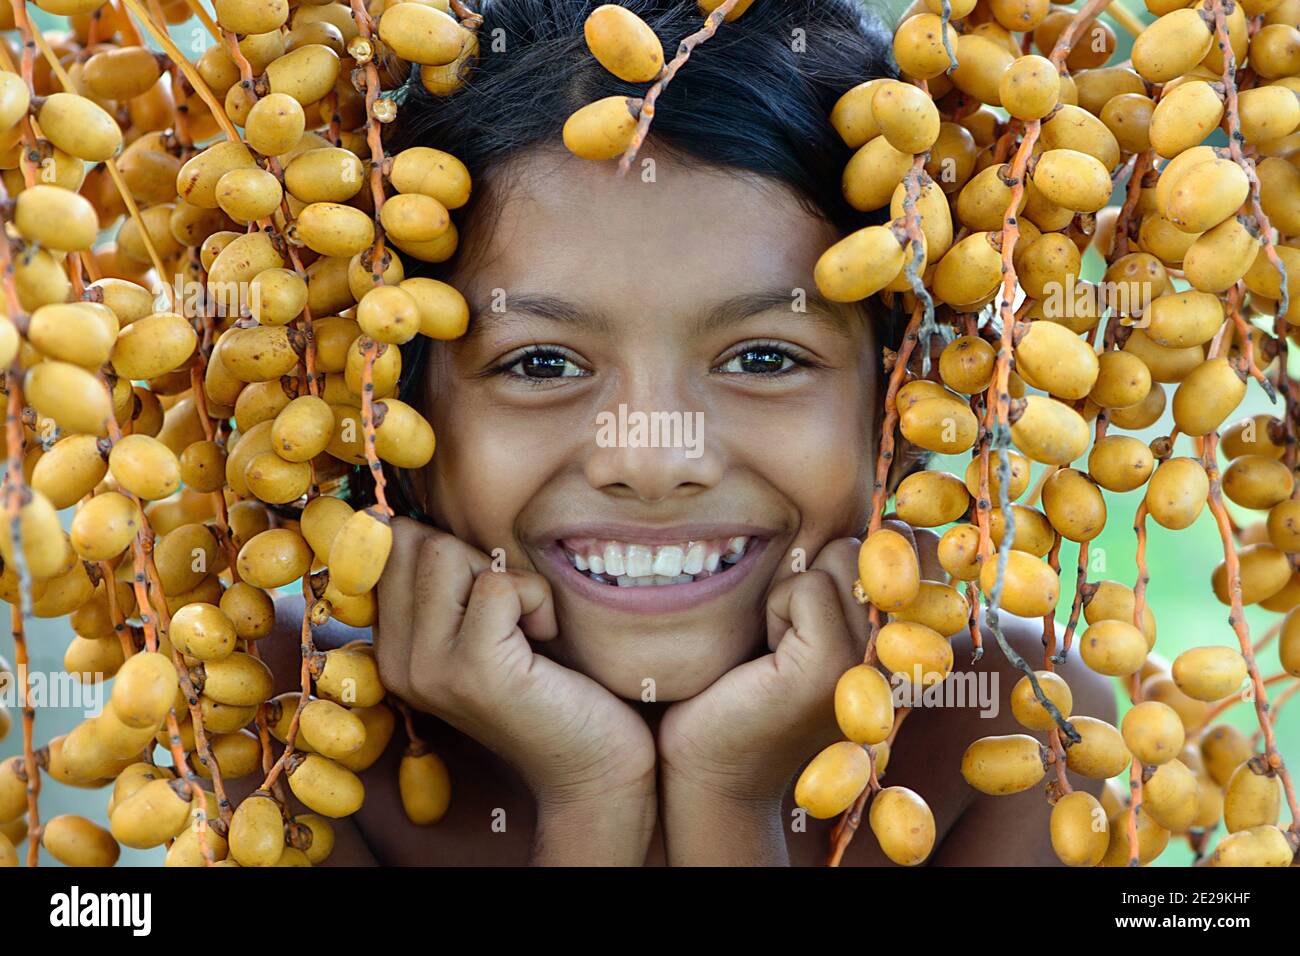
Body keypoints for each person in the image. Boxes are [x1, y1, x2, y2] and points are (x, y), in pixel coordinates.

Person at [251, 0, 1116, 865]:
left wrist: (727, 797)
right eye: (542, 365)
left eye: (766, 359)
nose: (654, 461)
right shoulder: (276, 726)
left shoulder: (1017, 729)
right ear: (395, 410)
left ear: (907, 398)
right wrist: (592, 797)